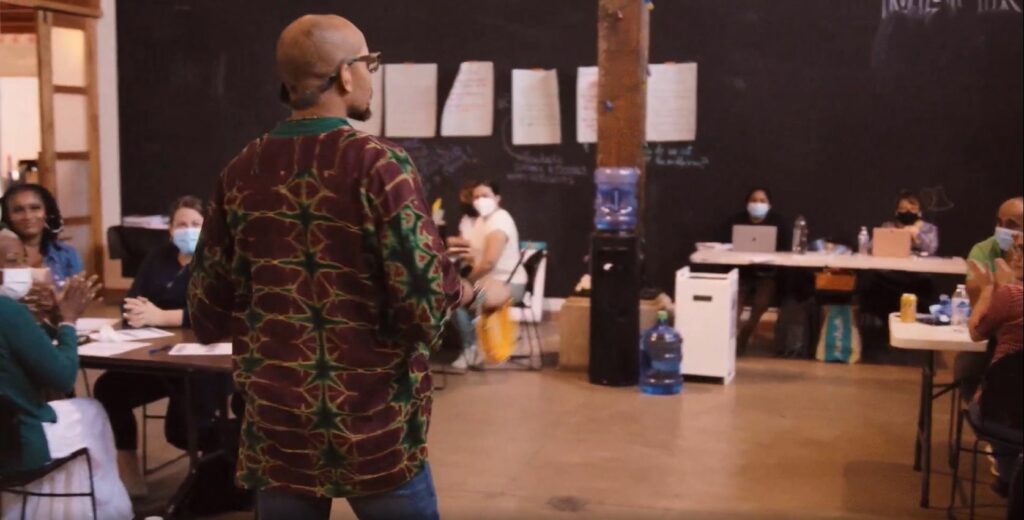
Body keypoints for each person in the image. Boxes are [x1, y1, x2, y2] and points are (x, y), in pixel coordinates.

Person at [187, 14, 471, 520]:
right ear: (345, 73)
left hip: (278, 431)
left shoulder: (241, 172)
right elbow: (426, 305)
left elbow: (206, 310)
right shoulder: (380, 166)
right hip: (376, 429)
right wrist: (468, 294)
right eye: (369, 63)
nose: (370, 76)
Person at [91, 195, 229, 498]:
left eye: (196, 224)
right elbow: (133, 298)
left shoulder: (218, 260)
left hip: (201, 361)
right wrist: (136, 313)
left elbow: (219, 313)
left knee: (181, 431)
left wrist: (164, 316)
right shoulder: (158, 257)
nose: (188, 230)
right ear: (170, 230)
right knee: (109, 388)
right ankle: (128, 470)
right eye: (181, 224)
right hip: (155, 356)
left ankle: (228, 461)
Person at [0, 230, 132, 520]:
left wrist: (51, 320)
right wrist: (69, 321)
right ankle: (109, 511)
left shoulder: (13, 311)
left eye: (24, 260)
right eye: (13, 261)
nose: (24, 270)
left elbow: (23, 347)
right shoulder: (8, 312)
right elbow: (62, 377)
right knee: (92, 410)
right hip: (16, 443)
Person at [446, 180, 527, 370]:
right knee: (456, 294)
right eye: (476, 197)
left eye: (485, 196)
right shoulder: (483, 221)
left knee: (461, 297)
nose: (480, 200)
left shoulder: (499, 221)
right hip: (488, 282)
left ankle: (472, 349)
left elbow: (489, 262)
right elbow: (477, 250)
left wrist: (468, 280)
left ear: (497, 198)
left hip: (508, 285)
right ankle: (472, 345)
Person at [966, 232, 1023, 498]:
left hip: (1002, 412)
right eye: (1017, 249)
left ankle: (1009, 478)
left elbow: (976, 332)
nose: (1017, 256)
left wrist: (988, 289)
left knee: (996, 402)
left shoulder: (1011, 296)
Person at [724, 187, 788, 355]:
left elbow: (786, 251)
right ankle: (728, 342)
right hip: (741, 272)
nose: (757, 203)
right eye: (754, 200)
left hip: (767, 274)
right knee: (734, 304)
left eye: (762, 201)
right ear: (747, 203)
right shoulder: (736, 221)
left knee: (761, 303)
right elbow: (725, 246)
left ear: (769, 204)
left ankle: (743, 337)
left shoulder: (779, 223)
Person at [0, 183, 83, 285]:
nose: (28, 216)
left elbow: (77, 293)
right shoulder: (2, 252)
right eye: (18, 210)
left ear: (46, 212)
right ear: (7, 216)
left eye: (35, 208)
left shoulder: (66, 254)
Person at [880, 190, 939, 256]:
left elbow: (931, 249)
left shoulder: (929, 228)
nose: (908, 212)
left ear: (919, 212)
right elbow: (874, 247)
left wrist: (917, 235)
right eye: (903, 208)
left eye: (913, 209)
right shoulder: (887, 227)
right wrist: (896, 234)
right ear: (896, 212)